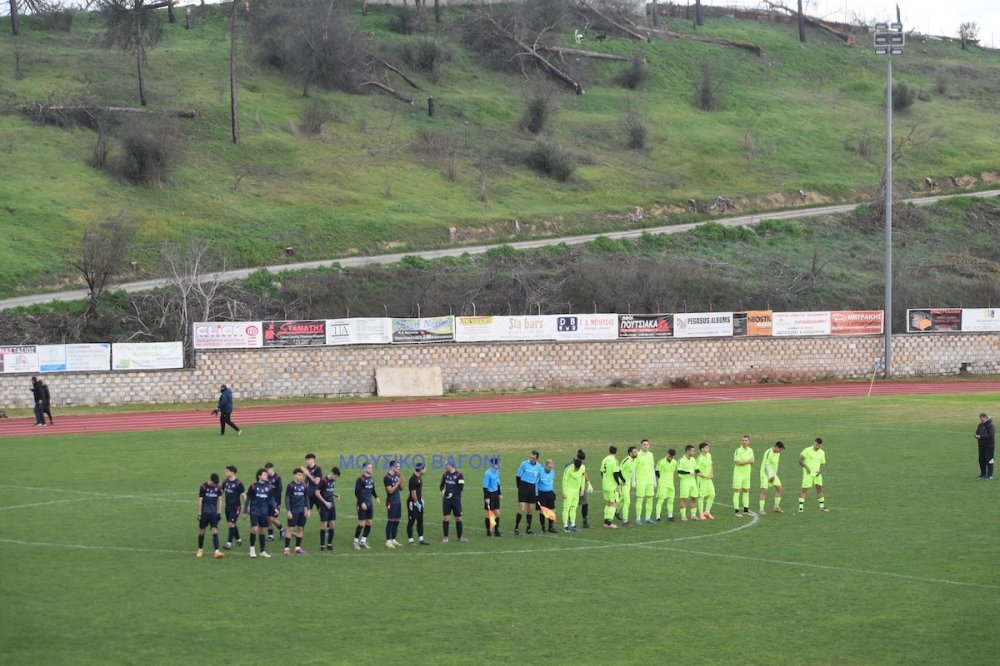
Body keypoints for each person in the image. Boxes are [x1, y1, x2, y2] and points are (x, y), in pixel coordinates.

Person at [244, 468, 276, 558]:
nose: (267, 476)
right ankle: (252, 549)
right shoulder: (253, 486)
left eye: (267, 475)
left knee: (262, 531)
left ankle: (262, 551)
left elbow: (271, 499)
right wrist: (245, 511)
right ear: (259, 476)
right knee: (254, 529)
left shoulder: (269, 487)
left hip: (264, 512)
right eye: (265, 475)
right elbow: (248, 499)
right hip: (254, 511)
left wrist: (275, 508)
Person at [196, 473, 225, 559]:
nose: (215, 485)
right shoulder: (203, 487)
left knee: (215, 531)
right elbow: (200, 500)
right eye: (214, 483)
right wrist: (199, 513)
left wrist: (219, 513)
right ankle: (200, 549)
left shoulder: (218, 488)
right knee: (202, 531)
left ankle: (216, 551)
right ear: (210, 480)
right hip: (204, 513)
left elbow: (219, 500)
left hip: (213, 513)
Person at [283, 468, 310, 555]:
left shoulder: (304, 485)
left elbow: (306, 497)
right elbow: (287, 498)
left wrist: (308, 509)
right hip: (293, 510)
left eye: (301, 475)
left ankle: (298, 547)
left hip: (301, 510)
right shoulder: (290, 485)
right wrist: (288, 511)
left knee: (301, 528)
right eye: (299, 475)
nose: (300, 476)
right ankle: (286, 548)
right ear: (294, 475)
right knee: (290, 528)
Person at [514, 450, 542, 535]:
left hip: (532, 488)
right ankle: (516, 527)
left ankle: (528, 528)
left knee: (530, 510)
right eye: (530, 457)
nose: (531, 459)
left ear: (536, 458)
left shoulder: (539, 467)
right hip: (523, 486)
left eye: (533, 458)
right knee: (522, 508)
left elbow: (538, 479)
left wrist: (537, 492)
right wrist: (520, 487)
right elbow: (518, 475)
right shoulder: (524, 464)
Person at [353, 462, 379, 550]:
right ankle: (355, 541)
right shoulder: (360, 479)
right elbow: (357, 492)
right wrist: (361, 503)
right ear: (364, 469)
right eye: (369, 468)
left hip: (369, 504)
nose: (371, 469)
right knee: (362, 524)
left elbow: (372, 490)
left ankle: (363, 541)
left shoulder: (371, 479)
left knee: (369, 523)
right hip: (362, 504)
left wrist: (376, 497)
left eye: (371, 467)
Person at [798, 438, 828, 512]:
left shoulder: (822, 452)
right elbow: (800, 460)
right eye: (816, 445)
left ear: (821, 445)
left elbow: (823, 463)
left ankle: (822, 506)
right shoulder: (807, 450)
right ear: (814, 443)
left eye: (819, 445)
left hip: (817, 474)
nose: (817, 446)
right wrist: (806, 467)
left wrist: (820, 471)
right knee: (804, 489)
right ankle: (800, 507)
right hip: (808, 474)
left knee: (819, 488)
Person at [440, 459, 466, 542]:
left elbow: (460, 487)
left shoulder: (459, 475)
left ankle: (460, 537)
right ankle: (446, 537)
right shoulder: (445, 474)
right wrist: (442, 490)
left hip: (456, 500)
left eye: (446, 464)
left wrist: (453, 494)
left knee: (458, 518)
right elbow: (441, 485)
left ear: (451, 465)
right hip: (447, 500)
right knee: (446, 518)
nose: (445, 466)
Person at [315, 467, 340, 551]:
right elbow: (317, 493)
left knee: (332, 525)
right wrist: (325, 503)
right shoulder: (323, 481)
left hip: (331, 505)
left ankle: (329, 543)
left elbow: (330, 490)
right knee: (324, 525)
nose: (336, 478)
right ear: (332, 473)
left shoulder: (333, 481)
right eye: (335, 476)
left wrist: (335, 494)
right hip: (323, 506)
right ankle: (322, 545)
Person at [568, 449, 594, 528]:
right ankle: (570, 522)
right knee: (572, 505)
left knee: (585, 504)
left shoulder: (582, 463)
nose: (582, 463)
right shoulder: (570, 464)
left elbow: (583, 473)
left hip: (580, 487)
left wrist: (588, 483)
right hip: (572, 487)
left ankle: (585, 522)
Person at [599, 445, 623, 529]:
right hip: (612, 485)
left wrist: (604, 481)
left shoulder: (604, 459)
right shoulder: (615, 460)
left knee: (608, 503)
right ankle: (609, 523)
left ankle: (606, 522)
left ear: (609, 451)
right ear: (616, 452)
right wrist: (618, 483)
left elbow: (601, 472)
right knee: (614, 503)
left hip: (605, 484)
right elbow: (615, 473)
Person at [222, 465, 246, 549]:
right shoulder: (225, 482)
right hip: (227, 507)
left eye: (227, 471)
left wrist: (247, 508)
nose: (225, 472)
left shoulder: (239, 484)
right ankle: (238, 539)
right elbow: (220, 492)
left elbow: (244, 496)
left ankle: (229, 543)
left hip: (236, 507)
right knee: (232, 523)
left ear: (232, 472)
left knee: (231, 524)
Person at [758, 442, 786, 514]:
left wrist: (774, 475)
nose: (780, 451)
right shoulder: (768, 453)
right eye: (780, 449)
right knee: (764, 490)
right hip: (764, 473)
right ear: (776, 447)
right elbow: (766, 466)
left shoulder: (778, 453)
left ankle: (776, 507)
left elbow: (776, 465)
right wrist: (769, 477)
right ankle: (761, 509)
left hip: (773, 474)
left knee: (780, 488)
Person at [634, 439, 656, 524]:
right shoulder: (637, 455)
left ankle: (648, 518)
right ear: (641, 445)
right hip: (641, 481)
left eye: (647, 444)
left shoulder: (651, 455)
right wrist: (634, 481)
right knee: (640, 499)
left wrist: (654, 481)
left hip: (649, 481)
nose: (646, 446)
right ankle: (638, 518)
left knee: (650, 499)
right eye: (644, 444)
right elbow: (634, 469)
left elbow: (652, 468)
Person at [407, 461, 429, 545]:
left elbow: (418, 491)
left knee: (420, 520)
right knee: (411, 521)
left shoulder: (419, 477)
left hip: (418, 501)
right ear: (420, 469)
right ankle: (410, 540)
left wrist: (421, 500)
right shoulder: (413, 479)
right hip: (413, 503)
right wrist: (417, 503)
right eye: (424, 468)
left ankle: (421, 539)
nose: (425, 469)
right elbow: (413, 493)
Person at [383, 460, 404, 548]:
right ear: (392, 467)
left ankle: (393, 539)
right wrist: (398, 482)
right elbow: (390, 490)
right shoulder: (387, 477)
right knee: (391, 521)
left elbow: (401, 489)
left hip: (398, 501)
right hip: (391, 502)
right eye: (397, 466)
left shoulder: (397, 475)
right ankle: (388, 541)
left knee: (397, 520)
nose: (399, 468)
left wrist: (402, 481)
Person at [732, 435, 754, 517]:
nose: (744, 442)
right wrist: (748, 461)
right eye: (743, 440)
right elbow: (737, 462)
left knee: (746, 491)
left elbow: (752, 461)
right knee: (737, 491)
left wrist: (750, 462)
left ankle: (746, 510)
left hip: (747, 474)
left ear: (749, 442)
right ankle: (736, 511)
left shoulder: (750, 450)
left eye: (746, 440)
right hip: (738, 474)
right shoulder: (738, 450)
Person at [561, 458, 586, 531]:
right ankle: (565, 525)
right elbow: (564, 481)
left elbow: (583, 478)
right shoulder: (568, 469)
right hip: (568, 490)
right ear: (574, 465)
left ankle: (573, 525)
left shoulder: (583, 468)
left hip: (576, 491)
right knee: (566, 507)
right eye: (576, 468)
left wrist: (582, 489)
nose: (577, 469)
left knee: (574, 507)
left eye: (578, 468)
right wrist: (564, 492)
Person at [676, 444, 699, 521]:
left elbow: (697, 470)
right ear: (687, 451)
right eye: (692, 451)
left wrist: (706, 476)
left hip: (693, 481)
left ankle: (693, 515)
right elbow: (679, 470)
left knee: (694, 498)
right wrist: (688, 472)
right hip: (685, 481)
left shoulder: (693, 459)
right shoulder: (681, 460)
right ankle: (683, 516)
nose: (694, 452)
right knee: (684, 499)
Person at [654, 448, 677, 522]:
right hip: (663, 484)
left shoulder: (674, 462)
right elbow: (656, 471)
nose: (670, 457)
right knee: (661, 500)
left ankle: (670, 516)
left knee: (671, 500)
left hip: (671, 484)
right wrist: (661, 479)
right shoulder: (661, 462)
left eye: (672, 456)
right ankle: (658, 517)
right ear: (667, 454)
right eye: (669, 456)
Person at [482, 457, 503, 537]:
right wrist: (486, 498)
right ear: (494, 465)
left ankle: (496, 530)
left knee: (497, 513)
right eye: (498, 463)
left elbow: (498, 483)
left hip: (495, 494)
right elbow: (485, 487)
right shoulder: (487, 473)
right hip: (489, 495)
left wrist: (499, 494)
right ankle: (488, 531)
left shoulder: (497, 472)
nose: (499, 465)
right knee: (489, 514)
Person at [264, 463, 284, 541]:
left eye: (268, 470)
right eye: (266, 470)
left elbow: (279, 491)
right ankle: (270, 535)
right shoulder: (265, 477)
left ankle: (282, 530)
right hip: (266, 501)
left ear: (272, 468)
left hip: (274, 501)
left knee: (272, 518)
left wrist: (277, 504)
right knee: (267, 518)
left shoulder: (277, 478)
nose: (267, 471)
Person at [619, 446, 638, 525]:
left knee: (622, 499)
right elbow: (618, 470)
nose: (636, 453)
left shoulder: (633, 460)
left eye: (636, 452)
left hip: (628, 483)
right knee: (627, 501)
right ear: (630, 453)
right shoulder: (626, 460)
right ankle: (625, 520)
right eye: (635, 452)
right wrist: (622, 481)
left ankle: (615, 511)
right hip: (623, 484)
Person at [537, 459, 557, 533]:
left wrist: (553, 492)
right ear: (545, 465)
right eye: (549, 467)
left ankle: (550, 527)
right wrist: (536, 494)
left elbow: (551, 482)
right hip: (541, 493)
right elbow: (536, 483)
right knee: (543, 511)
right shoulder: (540, 472)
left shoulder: (553, 472)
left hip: (550, 493)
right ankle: (543, 527)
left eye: (551, 467)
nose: (550, 469)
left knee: (552, 510)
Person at [975, 412, 995, 480]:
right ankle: (983, 474)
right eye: (980, 420)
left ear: (986, 417)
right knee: (981, 460)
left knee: (989, 460)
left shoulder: (991, 425)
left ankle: (989, 475)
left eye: (982, 420)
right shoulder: (980, 425)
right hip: (981, 445)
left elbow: (991, 435)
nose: (981, 421)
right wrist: (976, 435)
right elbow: (977, 431)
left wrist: (980, 436)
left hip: (989, 446)